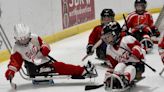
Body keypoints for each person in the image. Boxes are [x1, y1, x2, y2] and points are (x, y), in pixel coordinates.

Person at [5, 23, 97, 81]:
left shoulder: (34, 38)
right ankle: (82, 71)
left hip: (43, 61)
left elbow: (45, 45)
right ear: (16, 39)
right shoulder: (17, 49)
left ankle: (80, 70)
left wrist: (45, 49)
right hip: (37, 68)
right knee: (60, 66)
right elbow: (15, 63)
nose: (24, 42)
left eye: (25, 39)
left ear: (29, 35)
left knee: (60, 65)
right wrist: (10, 72)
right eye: (21, 40)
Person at [101, 22, 145, 89]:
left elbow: (141, 49)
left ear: (115, 33)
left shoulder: (127, 39)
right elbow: (114, 65)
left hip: (137, 66)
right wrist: (110, 74)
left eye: (108, 36)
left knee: (130, 68)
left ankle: (125, 80)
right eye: (105, 37)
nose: (106, 39)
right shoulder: (109, 49)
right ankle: (116, 79)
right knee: (119, 65)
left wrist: (135, 52)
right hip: (123, 64)